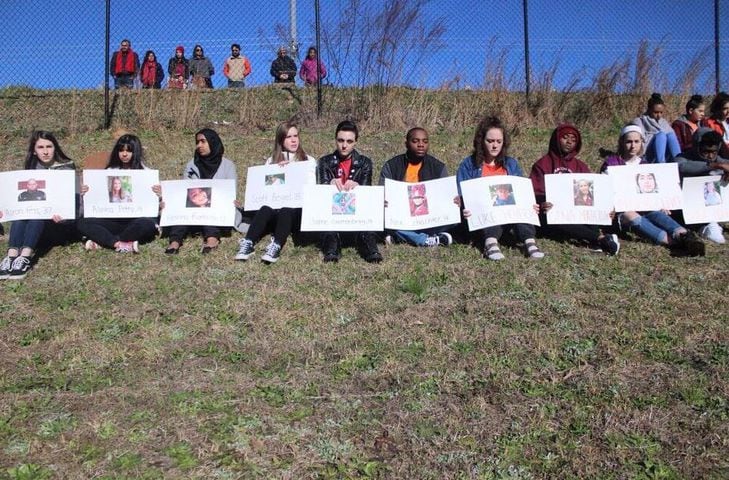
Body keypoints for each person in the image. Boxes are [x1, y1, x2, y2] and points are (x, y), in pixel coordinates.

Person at [601, 125, 704, 255]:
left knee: (658, 213)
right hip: (622, 211)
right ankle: (674, 243)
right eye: (629, 142)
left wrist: (661, 202)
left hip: (645, 207)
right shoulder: (611, 164)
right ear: (621, 142)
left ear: (641, 143)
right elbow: (604, 190)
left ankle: (684, 236)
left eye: (636, 142)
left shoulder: (645, 165)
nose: (633, 146)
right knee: (630, 215)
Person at [457, 116, 545, 260]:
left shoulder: (511, 164)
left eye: (499, 141)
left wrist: (530, 205)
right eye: (490, 141)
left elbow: (520, 192)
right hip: (483, 217)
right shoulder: (469, 164)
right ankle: (490, 243)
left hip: (508, 214)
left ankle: (529, 241)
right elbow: (461, 193)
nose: (494, 146)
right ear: (481, 141)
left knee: (521, 209)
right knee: (489, 213)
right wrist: (464, 207)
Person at [530, 123, 620, 255]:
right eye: (565, 138)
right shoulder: (542, 164)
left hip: (578, 211)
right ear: (556, 139)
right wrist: (542, 202)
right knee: (553, 216)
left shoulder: (581, 166)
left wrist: (606, 208)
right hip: (552, 212)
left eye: (573, 140)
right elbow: (535, 191)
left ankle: (595, 239)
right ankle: (599, 238)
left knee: (589, 209)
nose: (569, 142)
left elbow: (592, 192)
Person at [235, 122, 317, 263]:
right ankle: (248, 243)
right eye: (288, 137)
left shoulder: (308, 161)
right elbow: (267, 191)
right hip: (275, 210)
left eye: (295, 136)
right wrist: (278, 172)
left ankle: (276, 246)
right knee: (265, 209)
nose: (293, 140)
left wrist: (292, 171)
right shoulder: (271, 161)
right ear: (280, 140)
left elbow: (310, 188)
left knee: (286, 209)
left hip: (295, 212)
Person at [0, 131, 76, 280]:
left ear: (56, 148)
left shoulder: (67, 168)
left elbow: (73, 204)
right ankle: (12, 256)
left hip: (59, 226)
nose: (46, 151)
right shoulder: (31, 169)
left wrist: (65, 217)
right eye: (41, 147)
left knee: (37, 216)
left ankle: (26, 257)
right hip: (35, 225)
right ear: (34, 151)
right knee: (20, 215)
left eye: (49, 146)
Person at [77, 134, 160, 253]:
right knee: (82, 223)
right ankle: (119, 243)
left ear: (136, 152)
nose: (124, 154)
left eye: (129, 151)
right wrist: (87, 191)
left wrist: (158, 194)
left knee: (147, 225)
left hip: (135, 220)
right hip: (112, 219)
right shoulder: (109, 171)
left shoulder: (147, 174)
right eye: (121, 150)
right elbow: (99, 199)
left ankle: (104, 241)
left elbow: (154, 206)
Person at [317, 120, 382, 263]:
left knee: (366, 230)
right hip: (333, 214)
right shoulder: (324, 162)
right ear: (335, 140)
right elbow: (321, 196)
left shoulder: (365, 163)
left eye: (349, 141)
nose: (344, 145)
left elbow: (366, 195)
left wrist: (358, 186)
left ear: (355, 142)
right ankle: (332, 250)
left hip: (356, 214)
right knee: (329, 231)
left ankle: (371, 250)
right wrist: (329, 183)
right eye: (340, 140)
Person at [165, 128, 236, 254]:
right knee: (183, 209)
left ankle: (212, 239)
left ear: (213, 142)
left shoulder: (227, 165)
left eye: (203, 142)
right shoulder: (192, 164)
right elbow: (186, 189)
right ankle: (175, 242)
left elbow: (230, 190)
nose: (199, 146)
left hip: (217, 208)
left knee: (210, 209)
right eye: (197, 142)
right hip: (194, 208)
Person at [379, 127, 454, 247]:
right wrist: (383, 201)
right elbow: (383, 194)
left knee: (456, 217)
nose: (421, 145)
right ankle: (425, 239)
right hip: (401, 216)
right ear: (406, 144)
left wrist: (453, 201)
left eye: (425, 141)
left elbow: (445, 197)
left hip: (429, 217)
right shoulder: (391, 166)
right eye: (415, 141)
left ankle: (402, 237)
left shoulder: (438, 167)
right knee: (381, 218)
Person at [675, 127, 729, 244]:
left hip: (715, 208)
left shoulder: (720, 161)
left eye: (713, 152)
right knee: (715, 235)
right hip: (691, 211)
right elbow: (681, 167)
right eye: (706, 151)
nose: (710, 156)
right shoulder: (683, 158)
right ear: (697, 147)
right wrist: (713, 166)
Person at [631, 93, 681, 163]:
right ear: (649, 110)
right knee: (661, 135)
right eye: (656, 112)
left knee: (670, 135)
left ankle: (679, 161)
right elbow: (640, 142)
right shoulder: (639, 121)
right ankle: (661, 164)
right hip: (646, 154)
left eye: (661, 112)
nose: (659, 115)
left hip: (665, 154)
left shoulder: (663, 122)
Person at [702, 91, 729, 158]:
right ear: (718, 109)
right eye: (725, 108)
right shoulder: (709, 123)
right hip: (720, 156)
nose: (728, 111)